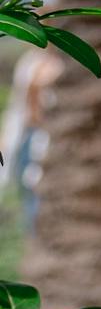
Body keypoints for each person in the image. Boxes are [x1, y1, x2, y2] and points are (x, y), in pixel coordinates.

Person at [0, 47, 65, 232]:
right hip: (24, 138)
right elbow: (17, 107)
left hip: (48, 142)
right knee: (26, 193)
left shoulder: (65, 62)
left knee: (39, 194)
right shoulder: (30, 60)